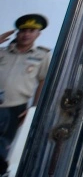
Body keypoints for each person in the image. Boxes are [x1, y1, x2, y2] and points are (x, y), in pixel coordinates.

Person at [0, 15, 51, 177]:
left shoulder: (42, 56)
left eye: (31, 31)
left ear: (38, 34)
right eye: (23, 31)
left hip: (15, 108)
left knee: (3, 146)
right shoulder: (2, 52)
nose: (26, 34)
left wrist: (33, 108)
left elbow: (43, 82)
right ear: (17, 33)